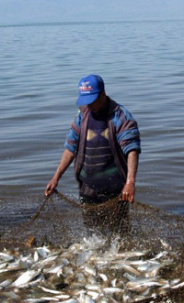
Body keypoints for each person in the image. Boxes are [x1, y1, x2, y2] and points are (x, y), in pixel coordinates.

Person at [45, 74, 141, 235]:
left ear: (102, 94)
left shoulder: (120, 116)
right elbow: (70, 147)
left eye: (92, 100)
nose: (89, 105)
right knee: (93, 233)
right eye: (86, 101)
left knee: (120, 234)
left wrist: (130, 182)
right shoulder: (82, 116)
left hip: (115, 190)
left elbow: (132, 150)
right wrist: (56, 178)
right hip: (87, 188)